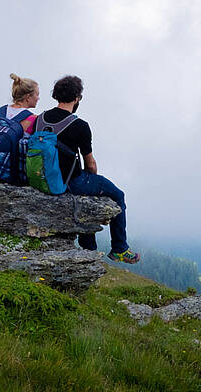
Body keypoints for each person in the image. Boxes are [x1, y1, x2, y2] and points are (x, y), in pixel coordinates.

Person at [34, 75, 140, 264]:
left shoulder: (39, 120)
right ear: (76, 98)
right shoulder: (80, 126)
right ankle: (120, 248)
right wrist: (93, 181)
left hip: (42, 177)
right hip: (71, 181)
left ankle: (88, 245)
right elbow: (90, 163)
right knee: (118, 194)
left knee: (91, 193)